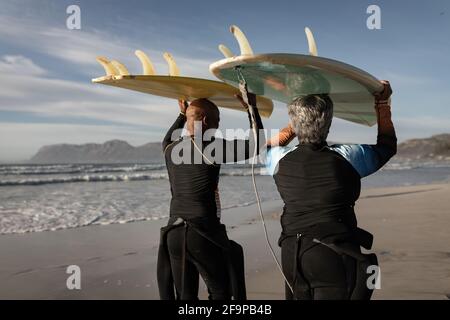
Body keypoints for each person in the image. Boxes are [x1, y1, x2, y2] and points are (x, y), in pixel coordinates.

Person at [265, 81, 396, 300]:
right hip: (334, 253)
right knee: (368, 275)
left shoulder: (278, 159)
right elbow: (387, 146)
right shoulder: (349, 156)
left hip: (292, 255)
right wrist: (382, 104)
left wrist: (297, 122)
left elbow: (270, 145)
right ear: (329, 123)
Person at [157, 95, 264, 300]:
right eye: (218, 120)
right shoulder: (211, 148)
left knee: (185, 296)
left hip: (174, 233)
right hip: (202, 234)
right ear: (206, 121)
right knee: (221, 293)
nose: (218, 126)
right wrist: (251, 108)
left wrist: (182, 115)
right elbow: (256, 144)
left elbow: (166, 139)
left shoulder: (170, 149)